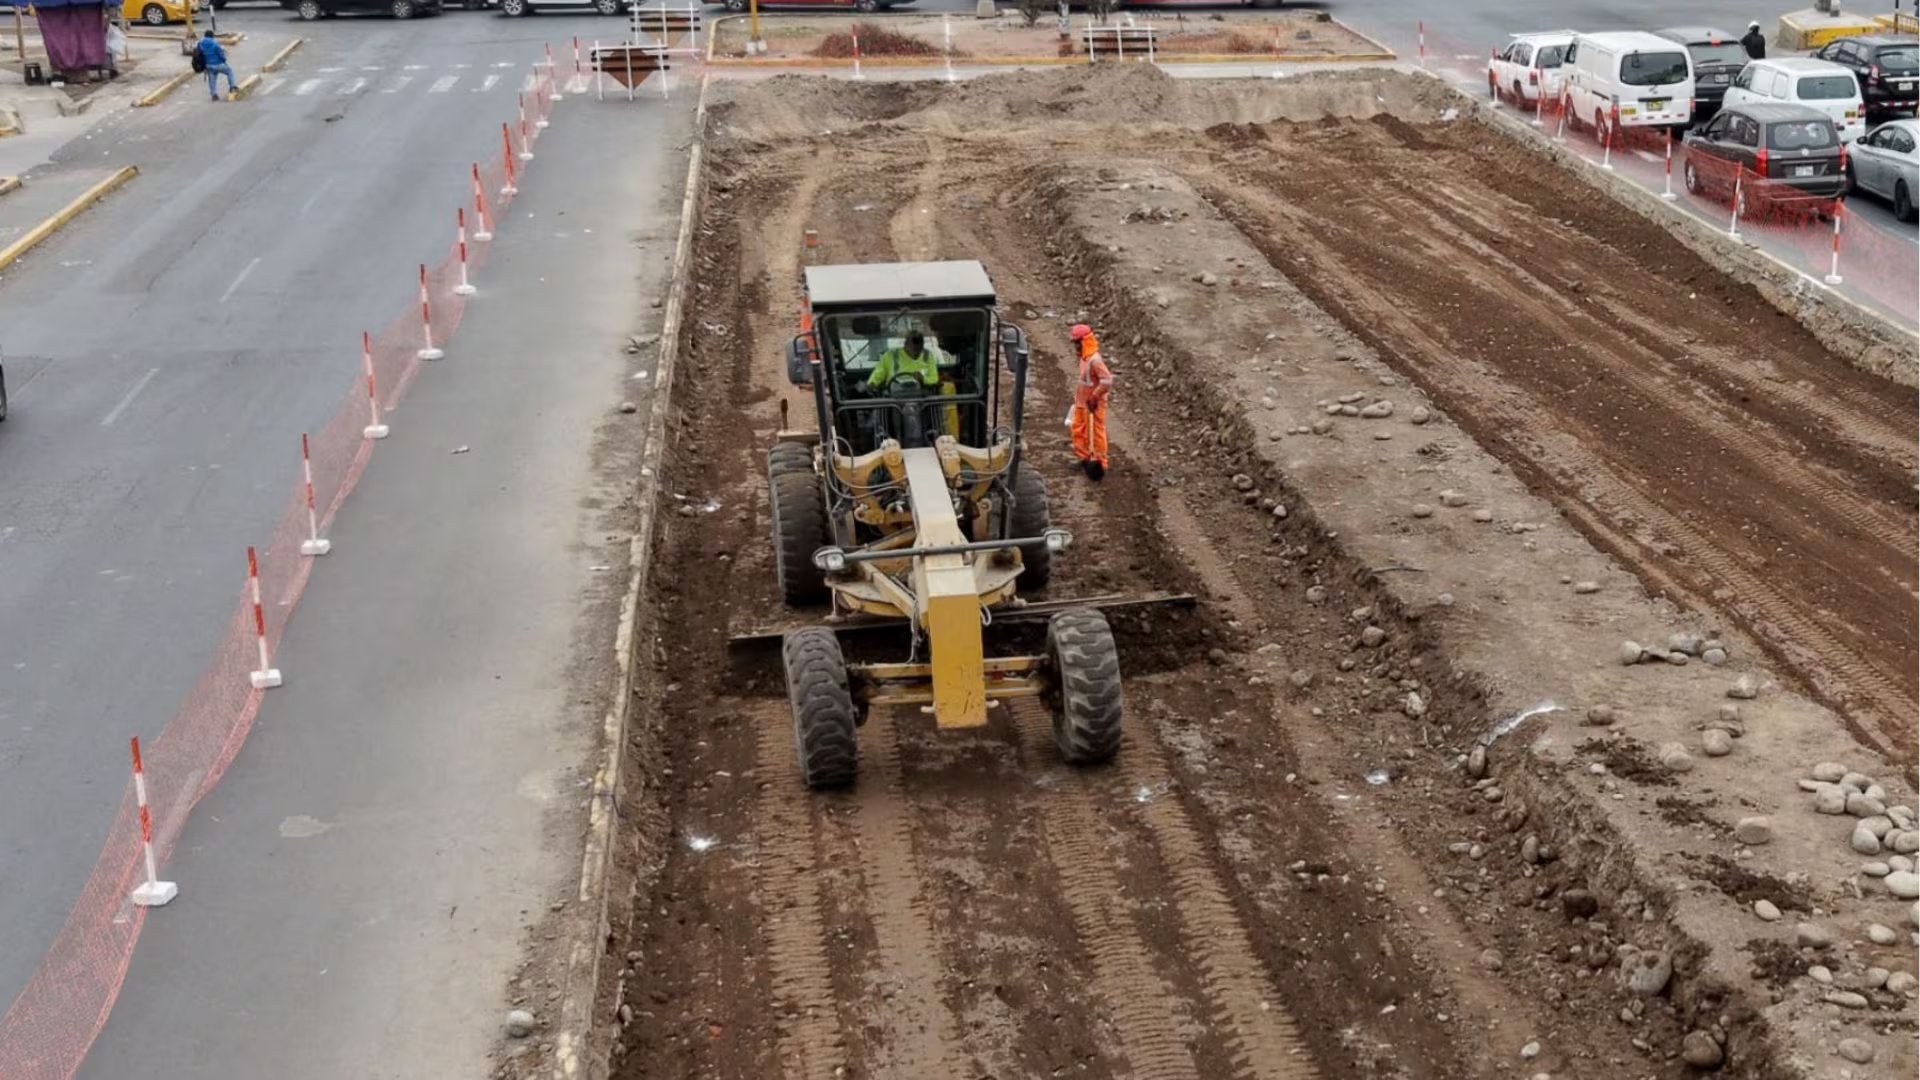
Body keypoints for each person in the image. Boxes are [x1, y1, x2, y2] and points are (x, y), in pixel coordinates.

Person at [1068, 323, 1112, 480]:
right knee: (1078, 429)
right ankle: (1084, 458)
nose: (1075, 347)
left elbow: (1107, 381)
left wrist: (1095, 396)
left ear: (1084, 342)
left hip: (1093, 404)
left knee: (1096, 433)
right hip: (1082, 402)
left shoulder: (1095, 360)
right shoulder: (1084, 358)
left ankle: (1100, 463)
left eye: (1077, 343)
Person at [197, 31, 237, 101]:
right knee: (229, 71)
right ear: (212, 36)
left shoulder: (200, 43)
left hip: (208, 65)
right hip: (218, 64)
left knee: (212, 80)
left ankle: (214, 95)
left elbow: (198, 53)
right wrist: (224, 60)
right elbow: (220, 54)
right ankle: (232, 86)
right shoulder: (215, 43)